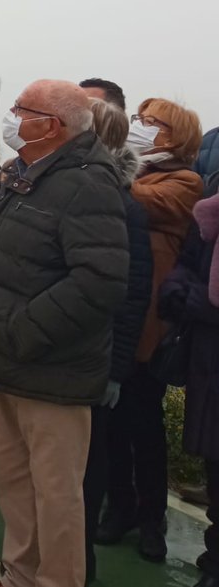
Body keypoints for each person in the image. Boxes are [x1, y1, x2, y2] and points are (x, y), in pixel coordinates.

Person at [0, 80, 128, 587]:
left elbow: (99, 281)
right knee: (14, 482)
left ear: (50, 125)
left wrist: (22, 331)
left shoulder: (87, 182)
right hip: (7, 363)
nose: (12, 119)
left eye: (21, 111)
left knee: (56, 495)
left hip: (51, 369)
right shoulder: (28, 174)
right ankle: (18, 575)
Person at [100, 97, 204, 561]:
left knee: (144, 425)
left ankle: (150, 518)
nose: (140, 128)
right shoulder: (133, 173)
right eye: (139, 121)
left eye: (151, 123)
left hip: (150, 325)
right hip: (116, 317)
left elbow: (130, 197)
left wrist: (100, 164)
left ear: (175, 135)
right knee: (111, 426)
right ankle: (119, 507)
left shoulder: (184, 182)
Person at [80, 100, 154, 581]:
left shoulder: (121, 203)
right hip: (55, 360)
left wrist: (115, 368)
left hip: (94, 358)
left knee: (86, 470)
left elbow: (131, 293)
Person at [159, 171, 219, 587]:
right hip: (210, 358)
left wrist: (199, 300)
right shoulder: (211, 209)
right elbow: (187, 263)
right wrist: (182, 291)